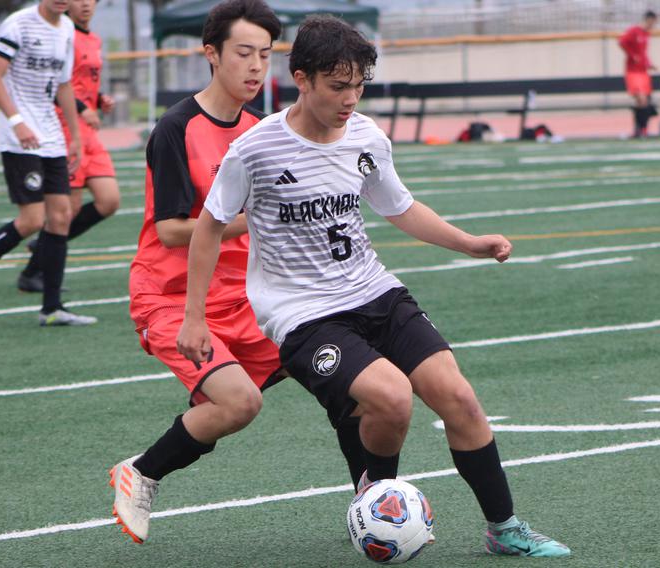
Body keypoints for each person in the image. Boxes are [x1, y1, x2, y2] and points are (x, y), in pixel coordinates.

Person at [177, 14, 571, 558]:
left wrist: (469, 242)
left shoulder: (366, 136)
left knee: (458, 397)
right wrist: (193, 318)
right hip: (301, 312)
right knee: (391, 398)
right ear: (302, 77)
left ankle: (503, 527)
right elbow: (210, 226)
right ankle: (373, 502)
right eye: (338, 86)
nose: (350, 99)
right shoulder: (256, 149)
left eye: (359, 86)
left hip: (373, 290)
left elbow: (400, 208)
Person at [107, 0, 366, 545]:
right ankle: (141, 472)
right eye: (243, 53)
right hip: (173, 297)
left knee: (350, 381)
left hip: (248, 299)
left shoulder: (259, 130)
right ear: (211, 54)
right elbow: (175, 229)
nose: (255, 66)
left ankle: (372, 500)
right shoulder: (177, 128)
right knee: (239, 403)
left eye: (264, 55)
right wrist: (256, 215)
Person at [0, 0, 96, 326]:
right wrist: (16, 121)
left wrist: (74, 135)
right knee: (32, 219)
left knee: (60, 217)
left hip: (52, 136)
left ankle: (52, 308)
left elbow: (63, 85)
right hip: (20, 138)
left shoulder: (67, 28)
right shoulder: (18, 24)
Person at [17, 0, 120, 293]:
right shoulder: (62, 36)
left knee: (109, 200)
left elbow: (84, 82)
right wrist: (79, 107)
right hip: (64, 130)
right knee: (67, 208)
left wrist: (99, 101)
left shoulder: (94, 38)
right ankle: (33, 270)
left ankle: (44, 245)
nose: (85, 4)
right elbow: (52, 84)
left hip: (89, 132)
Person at [619, 10, 659, 138]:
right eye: (652, 22)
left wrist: (649, 64)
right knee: (641, 99)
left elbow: (643, 53)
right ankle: (640, 130)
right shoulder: (634, 31)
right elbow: (622, 42)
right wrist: (632, 55)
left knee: (644, 101)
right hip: (633, 72)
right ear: (648, 20)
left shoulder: (646, 34)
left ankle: (642, 130)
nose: (653, 25)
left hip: (643, 72)